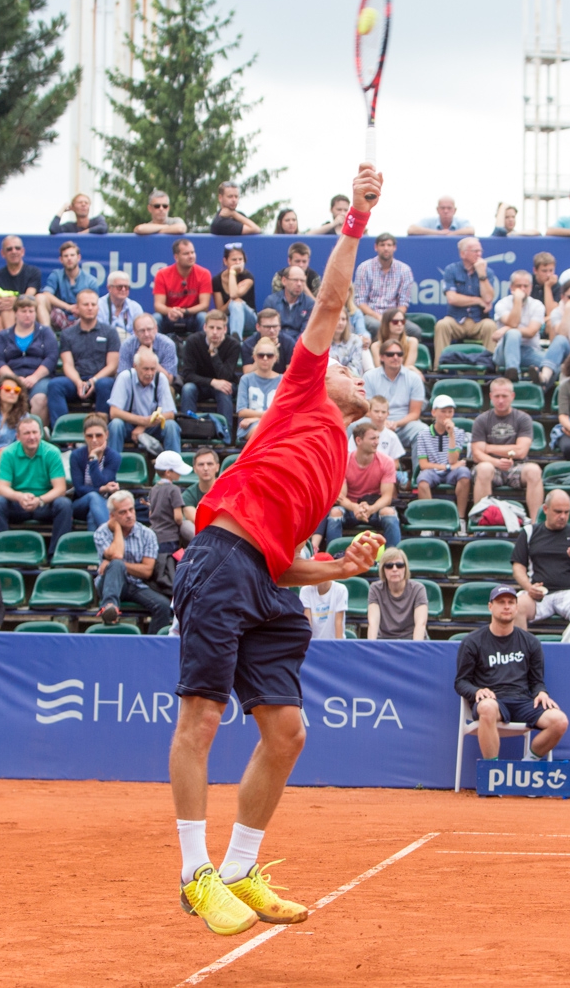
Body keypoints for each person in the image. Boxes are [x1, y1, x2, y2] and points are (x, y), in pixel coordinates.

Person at [168, 166, 381, 935]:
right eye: (352, 368)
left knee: (287, 731)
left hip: (264, 579)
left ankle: (238, 868)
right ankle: (195, 874)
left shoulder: (332, 465)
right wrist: (355, 218)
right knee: (201, 717)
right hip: (221, 561)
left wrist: (340, 568)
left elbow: (285, 559)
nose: (358, 374)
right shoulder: (304, 390)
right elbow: (331, 300)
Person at [455, 586, 570, 760]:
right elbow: (461, 682)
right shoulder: (472, 642)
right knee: (487, 706)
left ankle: (527, 764)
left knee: (559, 720)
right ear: (490, 607)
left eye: (511, 602)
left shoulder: (531, 642)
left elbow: (536, 681)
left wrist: (541, 692)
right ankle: (493, 772)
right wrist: (476, 691)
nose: (506, 606)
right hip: (493, 701)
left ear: (517, 608)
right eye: (501, 602)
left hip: (523, 701)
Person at [509, 489, 570, 630]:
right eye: (558, 512)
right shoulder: (529, 532)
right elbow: (518, 567)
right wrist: (528, 587)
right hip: (539, 593)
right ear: (545, 509)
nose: (562, 516)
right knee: (516, 606)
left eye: (566, 512)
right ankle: (521, 650)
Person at [0, 416, 73, 551]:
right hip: (18, 504)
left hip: (44, 503)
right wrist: (19, 497)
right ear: (18, 437)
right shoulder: (9, 453)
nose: (32, 437)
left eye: (35, 432)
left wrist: (40, 500)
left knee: (64, 504)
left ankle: (57, 553)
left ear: (40, 434)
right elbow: (1, 488)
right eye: (27, 433)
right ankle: (2, 552)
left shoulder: (51, 452)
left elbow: (60, 488)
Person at [470, 376, 543, 519]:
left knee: (534, 470)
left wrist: (489, 448)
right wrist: (496, 462)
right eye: (497, 396)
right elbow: (477, 454)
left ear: (512, 396)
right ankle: (482, 521)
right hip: (491, 467)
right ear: (490, 397)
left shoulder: (523, 418)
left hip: (516, 466)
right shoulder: (482, 420)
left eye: (504, 396)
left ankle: (536, 524)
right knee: (484, 468)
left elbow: (521, 452)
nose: (501, 400)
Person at [321, 421, 402, 550]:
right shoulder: (344, 461)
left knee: (389, 512)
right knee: (335, 513)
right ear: (358, 440)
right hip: (350, 507)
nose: (377, 442)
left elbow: (387, 497)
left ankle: (393, 557)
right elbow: (341, 496)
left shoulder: (387, 462)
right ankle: (334, 556)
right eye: (372, 438)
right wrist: (355, 507)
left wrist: (371, 509)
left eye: (377, 438)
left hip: (374, 506)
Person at [47, 288, 121, 425]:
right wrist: (78, 382)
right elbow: (67, 364)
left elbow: (112, 365)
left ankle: (102, 429)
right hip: (76, 380)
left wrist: (93, 381)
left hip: (100, 380)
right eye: (85, 304)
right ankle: (63, 430)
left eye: (93, 304)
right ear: (77, 307)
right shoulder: (67, 334)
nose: (90, 308)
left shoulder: (110, 332)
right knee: (55, 385)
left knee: (106, 384)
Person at [0, 295, 59, 423]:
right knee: (7, 396)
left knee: (40, 399)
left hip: (39, 378)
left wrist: (34, 377)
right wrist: (14, 379)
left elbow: (51, 357)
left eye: (31, 311)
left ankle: (36, 433)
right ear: (15, 313)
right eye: (23, 311)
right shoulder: (3, 335)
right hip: (12, 377)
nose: (27, 315)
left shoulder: (45, 332)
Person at [433, 237, 496, 365]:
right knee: (442, 325)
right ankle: (440, 369)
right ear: (463, 254)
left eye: (480, 251)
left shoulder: (487, 272)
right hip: (456, 320)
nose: (479, 254)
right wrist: (478, 300)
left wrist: (482, 275)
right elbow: (452, 298)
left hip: (478, 321)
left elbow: (488, 298)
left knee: (491, 326)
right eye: (475, 251)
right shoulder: (451, 270)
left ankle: (490, 369)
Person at [109, 348, 181, 454]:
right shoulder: (125, 377)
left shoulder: (160, 378)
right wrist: (142, 421)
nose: (150, 373)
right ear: (135, 367)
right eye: (146, 369)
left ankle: (173, 465)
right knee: (116, 424)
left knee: (171, 425)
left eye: (153, 369)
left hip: (152, 426)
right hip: (129, 426)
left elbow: (170, 414)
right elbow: (114, 412)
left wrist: (144, 425)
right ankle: (112, 465)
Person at [361, 339, 426, 450]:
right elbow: (366, 409)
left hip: (404, 425)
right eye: (390, 354)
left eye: (399, 354)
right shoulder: (369, 376)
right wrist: (382, 422)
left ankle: (421, 468)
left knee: (423, 431)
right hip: (374, 423)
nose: (395, 357)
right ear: (382, 357)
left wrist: (396, 423)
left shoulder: (414, 378)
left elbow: (415, 413)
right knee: (353, 426)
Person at [180, 311, 243, 424]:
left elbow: (226, 376)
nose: (214, 332)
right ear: (205, 327)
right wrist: (212, 382)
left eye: (218, 328)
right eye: (211, 327)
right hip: (200, 385)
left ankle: (225, 436)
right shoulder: (193, 341)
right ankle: (187, 430)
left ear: (225, 329)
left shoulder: (233, 345)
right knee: (188, 388)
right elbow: (187, 375)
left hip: (224, 384)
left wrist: (214, 354)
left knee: (225, 390)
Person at [415, 394, 472, 517]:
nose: (447, 415)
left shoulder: (459, 432)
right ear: (434, 412)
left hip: (451, 470)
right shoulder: (423, 435)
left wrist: (451, 434)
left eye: (450, 412)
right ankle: (429, 519)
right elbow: (423, 464)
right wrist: (446, 467)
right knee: (422, 480)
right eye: (443, 411)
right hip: (433, 471)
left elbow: (453, 460)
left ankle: (460, 518)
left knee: (464, 474)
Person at [353, 233, 417, 338]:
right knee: (376, 326)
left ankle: (400, 354)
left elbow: (404, 302)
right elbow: (360, 301)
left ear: (394, 247)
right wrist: (377, 316)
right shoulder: (364, 268)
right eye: (382, 245)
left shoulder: (404, 270)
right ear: (376, 247)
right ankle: (376, 353)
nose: (386, 248)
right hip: (371, 315)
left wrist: (394, 318)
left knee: (414, 331)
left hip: (394, 317)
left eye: (389, 245)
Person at [67, 414, 121, 530]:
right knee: (93, 496)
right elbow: (80, 489)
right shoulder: (76, 456)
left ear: (107, 435)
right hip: (80, 504)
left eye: (99, 435)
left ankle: (97, 547)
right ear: (84, 437)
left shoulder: (113, 457)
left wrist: (93, 459)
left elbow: (100, 481)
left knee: (92, 515)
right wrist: (103, 489)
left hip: (105, 504)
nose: (94, 440)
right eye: (89, 436)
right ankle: (111, 533)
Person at [154, 239, 214, 337]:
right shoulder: (162, 274)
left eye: (193, 252)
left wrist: (185, 311)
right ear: (176, 257)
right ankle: (153, 350)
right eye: (186, 254)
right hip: (170, 317)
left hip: (192, 317)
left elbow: (204, 305)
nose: (191, 256)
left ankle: (204, 350)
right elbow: (158, 305)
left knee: (203, 317)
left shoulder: (204, 273)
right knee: (156, 318)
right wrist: (171, 311)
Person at [367, 547, 429, 640]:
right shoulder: (375, 589)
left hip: (411, 641)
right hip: (385, 642)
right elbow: (373, 623)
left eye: (399, 565)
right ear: (383, 569)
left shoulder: (418, 589)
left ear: (405, 568)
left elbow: (421, 624)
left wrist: (415, 651)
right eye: (389, 566)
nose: (395, 569)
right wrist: (372, 649)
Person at [0, 236, 43, 334]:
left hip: (27, 314)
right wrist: (2, 302)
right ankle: (11, 344)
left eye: (17, 248)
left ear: (23, 251)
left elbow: (29, 296)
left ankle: (11, 344)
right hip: (2, 314)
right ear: (2, 253)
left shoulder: (33, 272)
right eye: (9, 249)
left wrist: (15, 301)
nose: (14, 251)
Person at [236, 337, 283, 443]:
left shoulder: (283, 380)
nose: (265, 358)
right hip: (251, 426)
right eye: (261, 355)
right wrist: (262, 418)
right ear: (254, 357)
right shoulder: (246, 379)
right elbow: (242, 411)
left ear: (275, 358)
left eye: (269, 355)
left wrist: (257, 418)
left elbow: (284, 411)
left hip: (274, 423)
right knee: (261, 430)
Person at [149, 449, 189, 559]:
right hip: (170, 537)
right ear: (168, 472)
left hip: (155, 536)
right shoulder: (174, 489)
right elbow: (178, 518)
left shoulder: (153, 489)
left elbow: (150, 513)